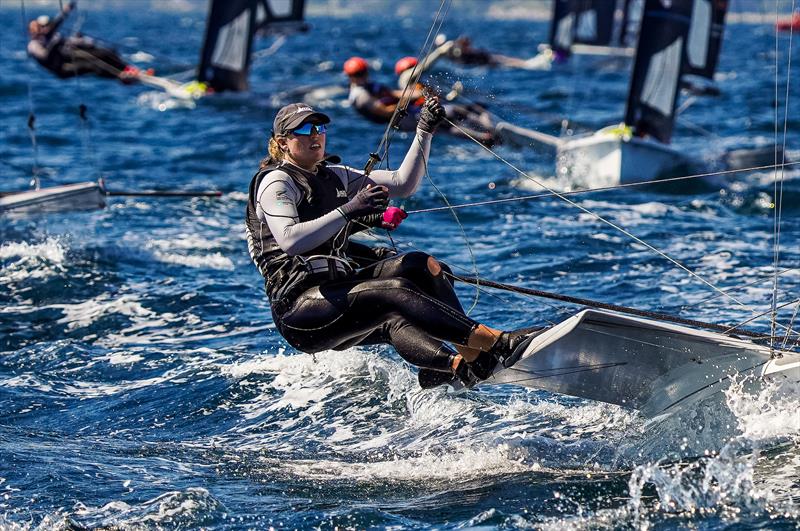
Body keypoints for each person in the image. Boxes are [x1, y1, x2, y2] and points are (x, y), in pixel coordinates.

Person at [245, 100, 535, 389]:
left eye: (320, 127)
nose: (315, 134)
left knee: (422, 267)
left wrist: (424, 131)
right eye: (305, 129)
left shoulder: (335, 176)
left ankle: (465, 361)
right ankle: (496, 343)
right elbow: (291, 240)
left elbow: (402, 183)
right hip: (300, 310)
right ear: (283, 142)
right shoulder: (277, 182)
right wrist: (351, 209)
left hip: (339, 288)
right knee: (395, 293)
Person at [27, 1, 147, 82]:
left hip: (68, 57)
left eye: (42, 27)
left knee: (105, 53)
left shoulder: (49, 35)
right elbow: (45, 57)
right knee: (93, 65)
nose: (42, 29)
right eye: (38, 28)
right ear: (32, 32)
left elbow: (57, 25)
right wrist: (55, 43)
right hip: (62, 69)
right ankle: (121, 77)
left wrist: (67, 10)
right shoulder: (33, 45)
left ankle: (129, 69)